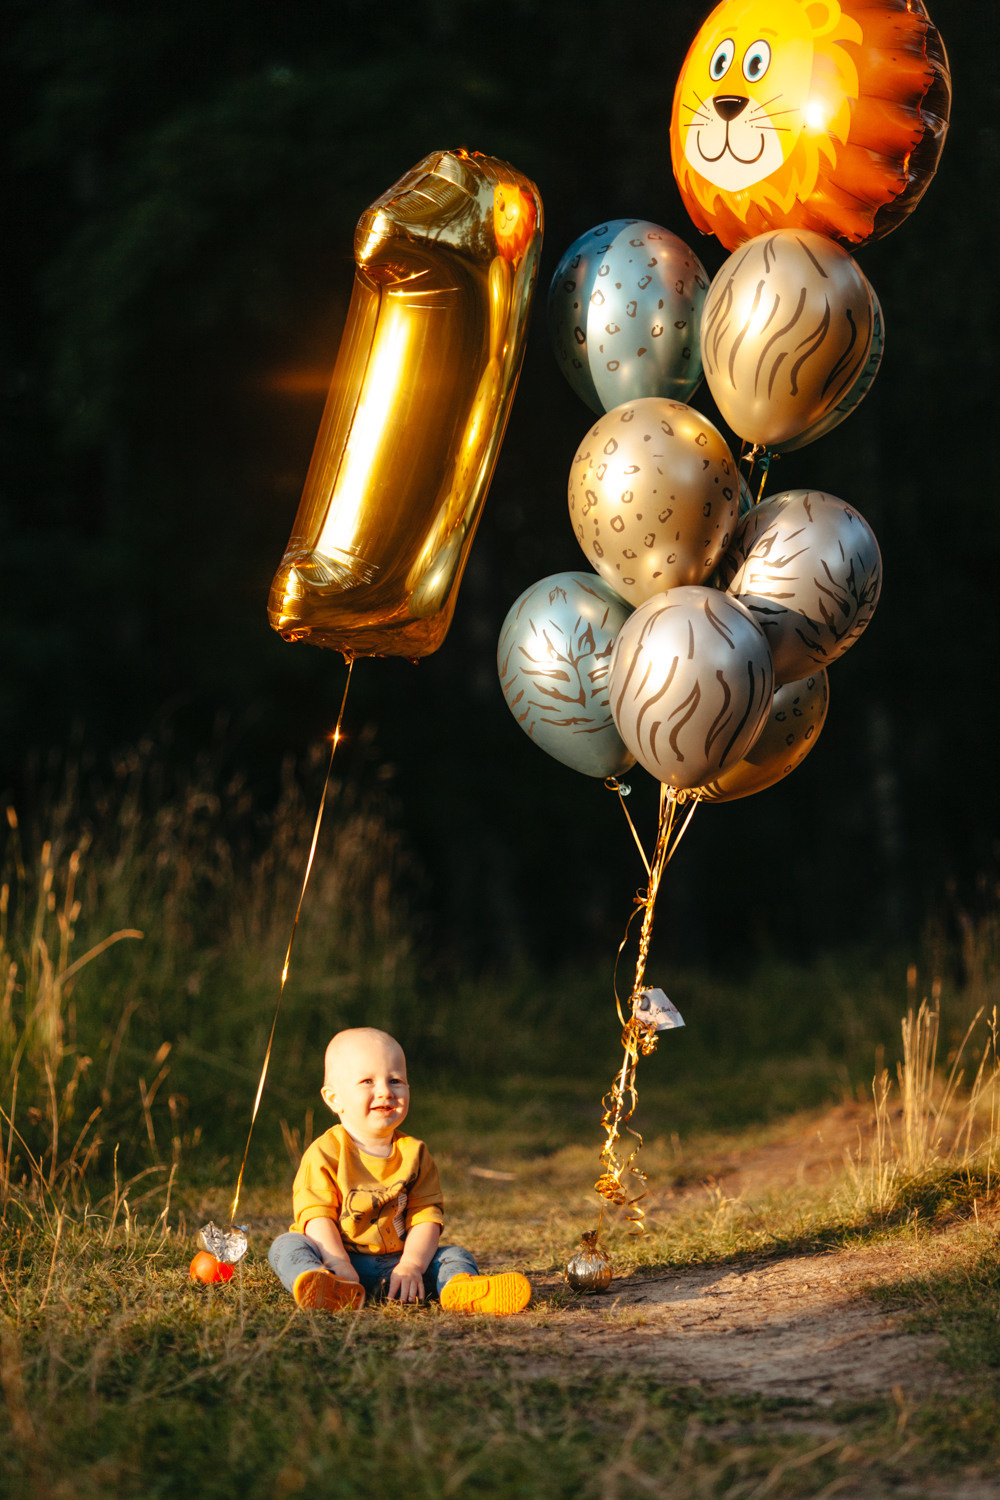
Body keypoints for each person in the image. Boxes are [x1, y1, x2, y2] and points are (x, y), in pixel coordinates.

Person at [268, 1026, 532, 1316]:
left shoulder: (415, 1154)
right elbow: (316, 1216)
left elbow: (426, 1217)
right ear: (334, 1099)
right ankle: (323, 1286)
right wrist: (338, 1264)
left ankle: (460, 1289)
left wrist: (412, 1265)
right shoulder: (326, 1152)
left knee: (453, 1255)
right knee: (287, 1245)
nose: (384, 1091)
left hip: (400, 1269)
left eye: (395, 1080)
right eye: (367, 1081)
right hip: (336, 1261)